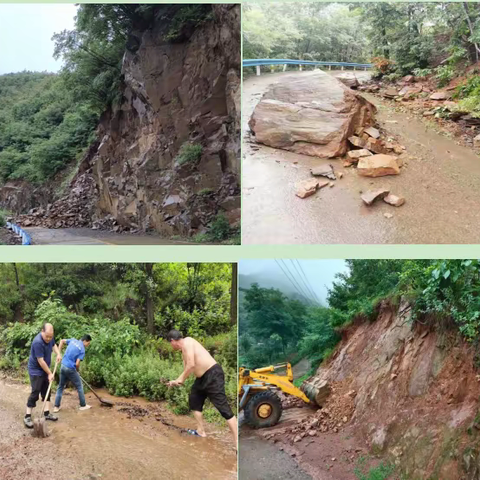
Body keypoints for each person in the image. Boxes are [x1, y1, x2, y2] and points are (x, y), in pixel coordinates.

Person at [166, 330, 237, 450]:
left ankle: (236, 443)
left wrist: (180, 379)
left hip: (213, 375)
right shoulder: (183, 350)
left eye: (170, 343)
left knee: (223, 408)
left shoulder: (188, 342)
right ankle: (201, 431)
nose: (170, 346)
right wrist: (175, 381)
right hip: (202, 379)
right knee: (194, 399)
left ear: (172, 341)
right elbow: (186, 370)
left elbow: (191, 365)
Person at [24, 323, 62, 428]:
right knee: (35, 392)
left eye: (51, 336)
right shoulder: (37, 342)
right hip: (36, 370)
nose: (49, 338)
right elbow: (40, 361)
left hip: (45, 368)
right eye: (47, 336)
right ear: (42, 331)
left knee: (47, 391)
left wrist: (58, 353)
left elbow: (54, 345)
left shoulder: (50, 337)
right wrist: (49, 373)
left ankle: (47, 413)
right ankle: (27, 416)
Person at [53, 335, 92, 412]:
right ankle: (83, 405)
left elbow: (61, 341)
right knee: (79, 386)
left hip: (63, 366)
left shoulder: (73, 340)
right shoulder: (82, 350)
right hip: (71, 368)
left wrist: (59, 354)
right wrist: (77, 371)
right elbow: (77, 364)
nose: (88, 345)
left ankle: (56, 407)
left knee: (60, 386)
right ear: (85, 341)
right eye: (88, 343)